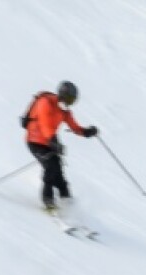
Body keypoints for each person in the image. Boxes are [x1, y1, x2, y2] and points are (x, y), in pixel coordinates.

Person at [22, 80, 98, 212]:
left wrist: (87, 132)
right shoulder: (45, 102)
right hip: (34, 140)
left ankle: (67, 201)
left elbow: (75, 127)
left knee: (58, 172)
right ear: (61, 95)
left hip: (50, 142)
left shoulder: (64, 112)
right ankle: (48, 201)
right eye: (68, 99)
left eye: (72, 101)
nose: (69, 103)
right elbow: (45, 125)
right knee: (51, 167)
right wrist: (54, 141)